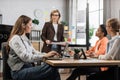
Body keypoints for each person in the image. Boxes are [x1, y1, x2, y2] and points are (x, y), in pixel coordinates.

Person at [7, 15, 61, 80]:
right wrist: (45, 56)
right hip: (19, 72)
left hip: (28, 68)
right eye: (30, 25)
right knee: (52, 68)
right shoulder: (16, 39)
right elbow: (26, 57)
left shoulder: (25, 39)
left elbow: (35, 52)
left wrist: (48, 54)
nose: (31, 27)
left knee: (53, 70)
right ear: (23, 25)